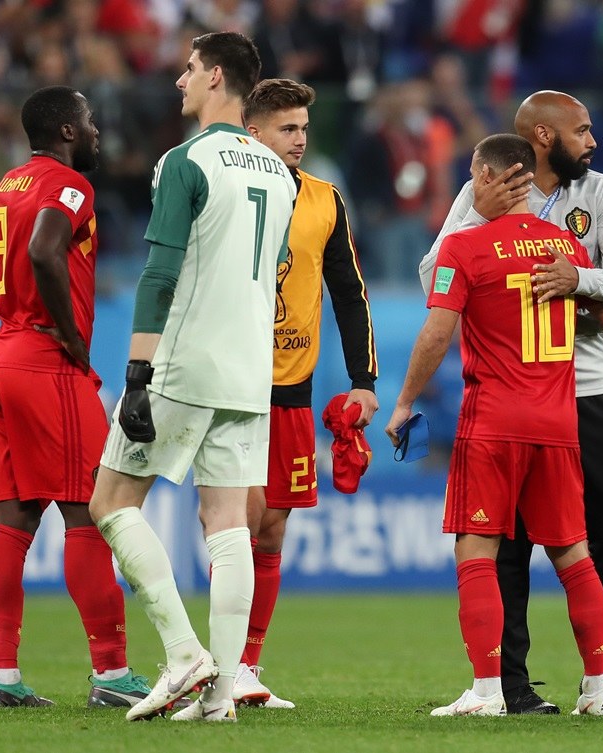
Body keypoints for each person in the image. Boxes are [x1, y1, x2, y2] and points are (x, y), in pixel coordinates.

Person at [418, 90, 603, 714]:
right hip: (522, 394)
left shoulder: (599, 193)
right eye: (583, 131)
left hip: (590, 390)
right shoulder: (481, 194)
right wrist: (476, 216)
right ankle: (510, 682)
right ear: (546, 137)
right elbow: (434, 276)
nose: (594, 141)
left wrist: (574, 281)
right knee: (513, 542)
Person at [88, 31, 296, 724]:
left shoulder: (185, 161)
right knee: (228, 520)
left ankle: (183, 653)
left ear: (213, 77)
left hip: (184, 361)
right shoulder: (276, 170)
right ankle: (222, 693)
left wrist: (138, 372)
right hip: (249, 368)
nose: (178, 81)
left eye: (185, 70)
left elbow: (160, 271)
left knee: (111, 502)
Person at [0, 85, 153, 710]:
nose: (98, 130)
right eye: (89, 120)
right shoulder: (71, 187)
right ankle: (111, 672)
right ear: (68, 132)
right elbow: (44, 251)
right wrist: (74, 339)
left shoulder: (6, 187)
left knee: (15, 520)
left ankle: (0, 676)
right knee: (89, 513)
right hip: (46, 365)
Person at [233, 77, 378, 708]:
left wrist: (363, 381)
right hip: (231, 382)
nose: (300, 140)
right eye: (287, 129)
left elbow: (350, 293)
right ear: (254, 132)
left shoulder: (324, 200)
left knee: (271, 530)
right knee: (237, 524)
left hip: (292, 384)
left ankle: (244, 667)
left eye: (304, 129)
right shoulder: (226, 193)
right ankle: (209, 657)